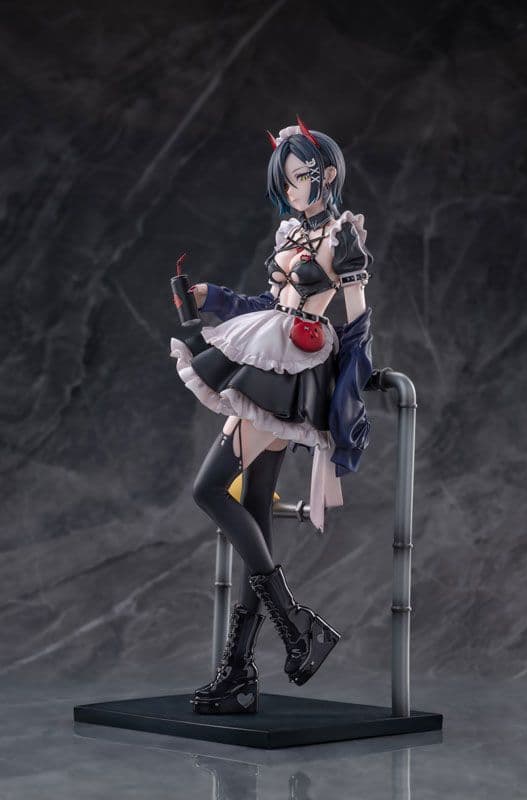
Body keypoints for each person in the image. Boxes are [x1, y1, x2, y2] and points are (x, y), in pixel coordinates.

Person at [170, 118, 374, 714]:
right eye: (284, 182)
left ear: (327, 174)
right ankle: (240, 673)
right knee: (253, 511)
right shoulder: (291, 230)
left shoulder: (343, 236)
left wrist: (347, 400)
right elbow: (269, 302)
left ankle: (296, 625)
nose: (291, 190)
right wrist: (213, 298)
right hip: (270, 353)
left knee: (210, 489)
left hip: (293, 369)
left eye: (300, 177)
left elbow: (358, 322)